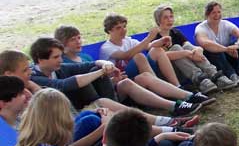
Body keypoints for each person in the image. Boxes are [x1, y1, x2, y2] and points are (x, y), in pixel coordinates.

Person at [28, 38, 210, 116]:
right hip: (89, 109)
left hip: (107, 96)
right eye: (55, 57)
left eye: (60, 56)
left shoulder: (59, 66)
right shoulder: (35, 77)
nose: (60, 60)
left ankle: (186, 98)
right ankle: (171, 109)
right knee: (90, 79)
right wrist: (100, 72)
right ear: (40, 59)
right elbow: (63, 85)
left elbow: (85, 65)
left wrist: (103, 65)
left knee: (135, 79)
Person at [9, 89, 111, 146]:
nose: (71, 118)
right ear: (63, 121)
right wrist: (105, 127)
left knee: (90, 117)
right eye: (68, 114)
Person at [154, 5, 233, 93]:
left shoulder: (175, 32)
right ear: (158, 20)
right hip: (171, 75)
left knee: (188, 47)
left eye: (171, 16)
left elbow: (190, 46)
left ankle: (214, 74)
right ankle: (199, 79)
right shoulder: (155, 37)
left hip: (185, 70)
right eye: (165, 17)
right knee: (176, 48)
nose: (170, 20)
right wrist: (187, 53)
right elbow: (162, 56)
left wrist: (198, 50)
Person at [99, 13, 181, 87]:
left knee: (157, 50)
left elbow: (148, 46)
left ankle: (177, 85)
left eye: (124, 27)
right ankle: (161, 87)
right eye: (118, 28)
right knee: (139, 56)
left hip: (138, 74)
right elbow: (126, 55)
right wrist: (149, 38)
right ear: (109, 31)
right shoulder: (106, 47)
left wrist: (162, 41)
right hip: (121, 79)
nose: (123, 30)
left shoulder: (128, 40)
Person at [194, 2, 239, 87]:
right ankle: (232, 75)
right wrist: (226, 49)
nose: (217, 15)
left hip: (229, 56)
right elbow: (205, 44)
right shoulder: (201, 28)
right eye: (213, 12)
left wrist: (236, 46)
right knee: (215, 50)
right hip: (214, 61)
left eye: (219, 12)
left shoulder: (225, 24)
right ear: (207, 14)